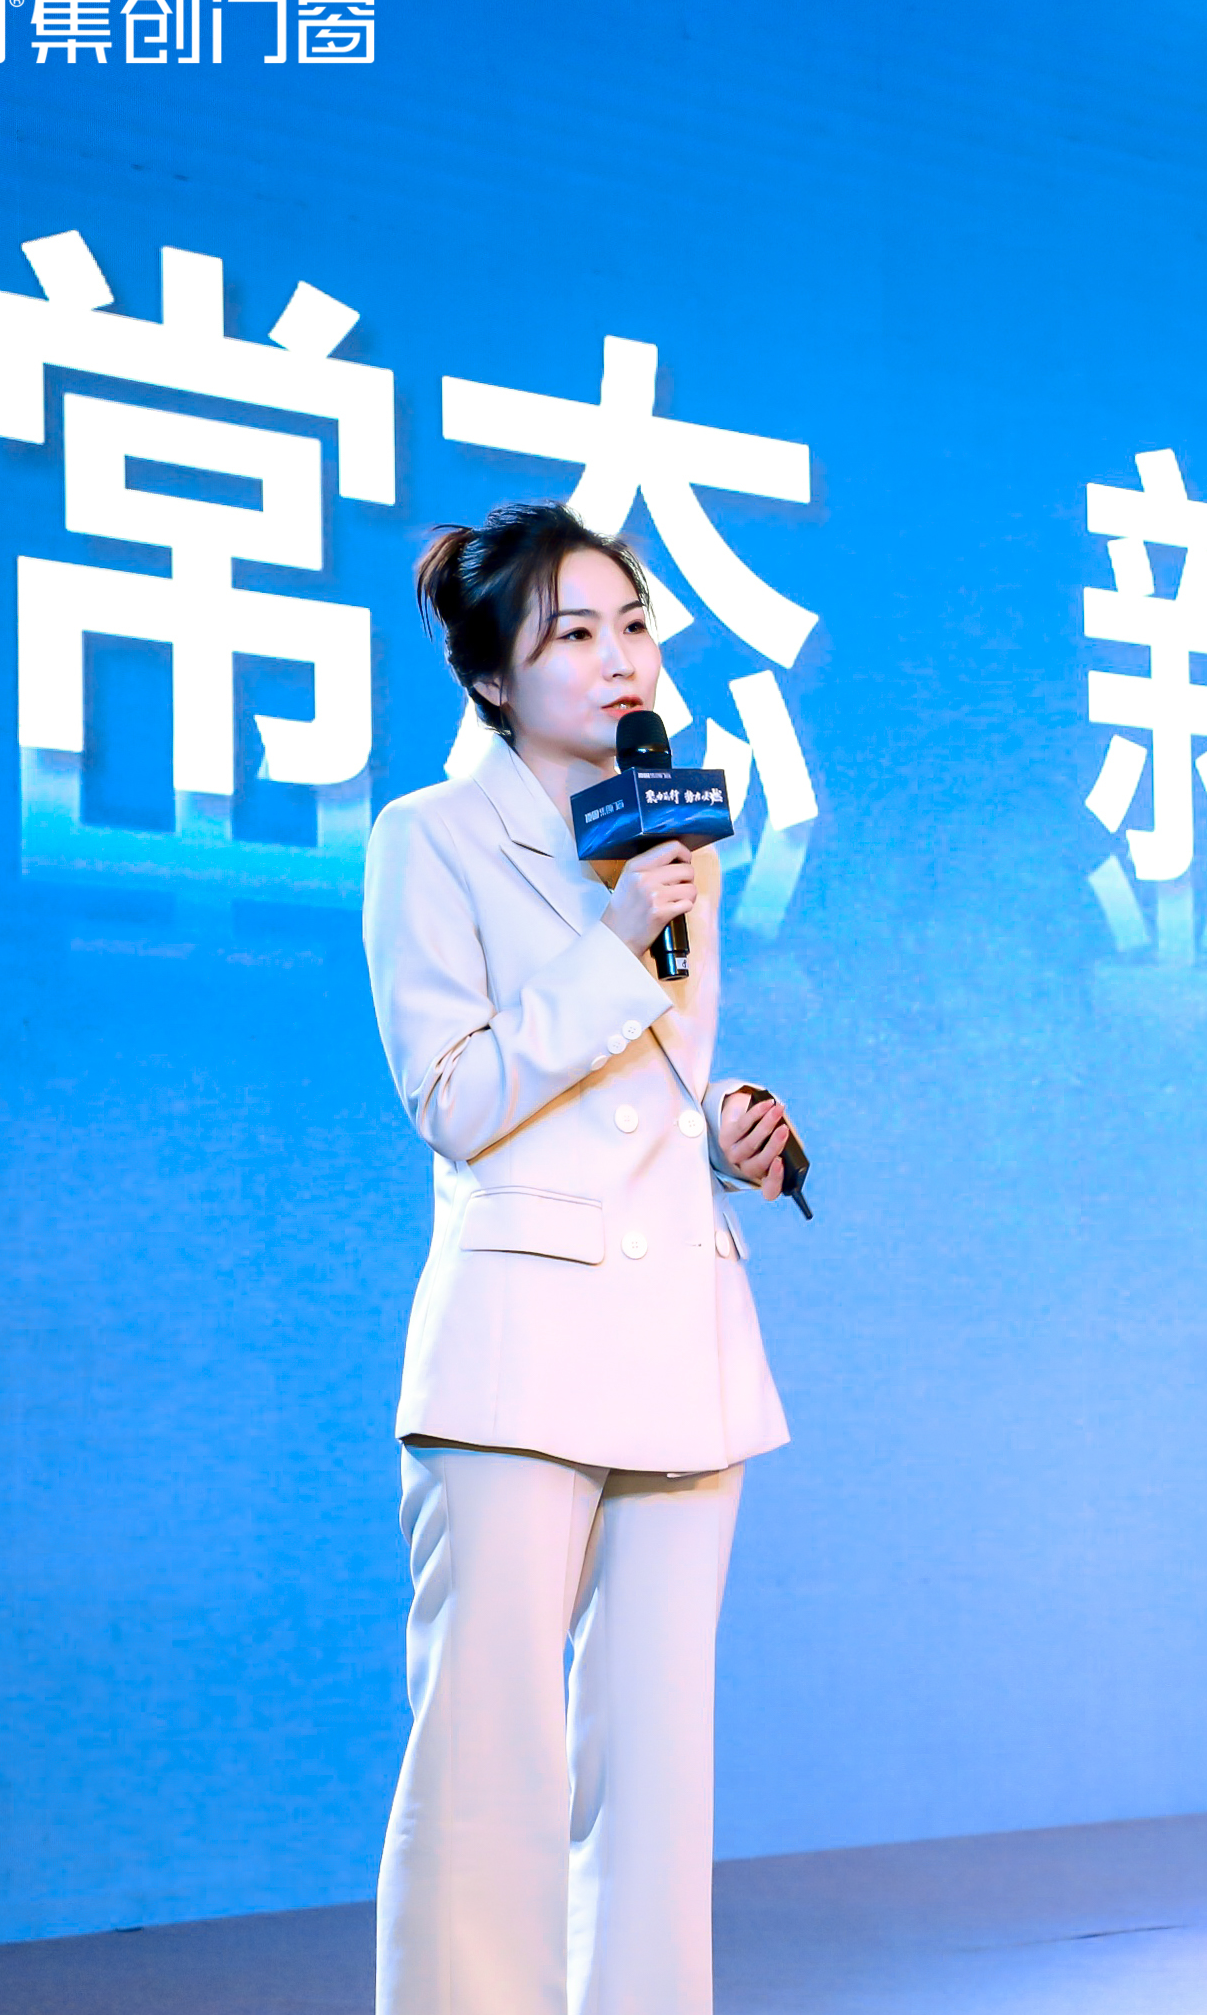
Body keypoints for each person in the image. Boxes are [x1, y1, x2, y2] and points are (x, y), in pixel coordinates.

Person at [360, 499, 800, 2015]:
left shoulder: (670, 838)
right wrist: (613, 942)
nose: (620, 661)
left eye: (633, 628)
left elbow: (646, 1093)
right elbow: (458, 1102)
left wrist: (727, 1134)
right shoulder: (426, 839)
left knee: (658, 1776)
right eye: (573, 636)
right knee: (485, 1771)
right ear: (492, 676)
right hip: (518, 1360)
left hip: (681, 1344)